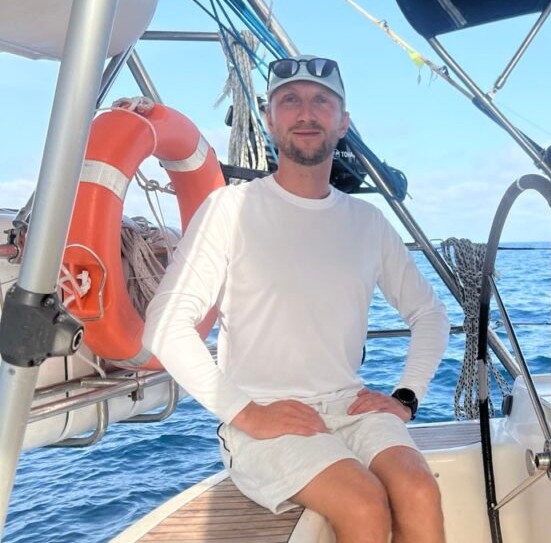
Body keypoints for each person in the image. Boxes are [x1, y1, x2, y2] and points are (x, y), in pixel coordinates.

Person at [144, 55, 450, 543]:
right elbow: (166, 326)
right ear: (269, 118)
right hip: (264, 412)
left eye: (321, 101)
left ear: (343, 121)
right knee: (363, 503)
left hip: (350, 404)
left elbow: (429, 313)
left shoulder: (367, 222)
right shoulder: (230, 209)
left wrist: (406, 396)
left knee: (419, 490)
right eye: (290, 100)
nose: (306, 113)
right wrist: (246, 413)